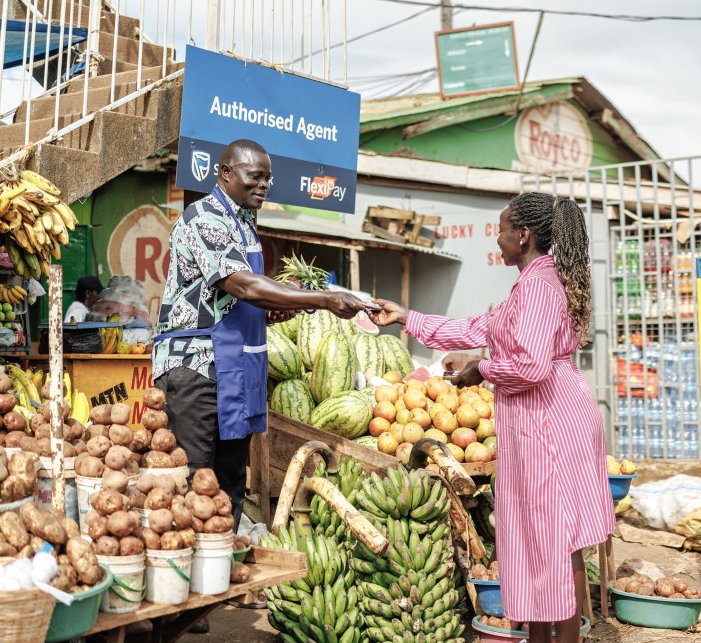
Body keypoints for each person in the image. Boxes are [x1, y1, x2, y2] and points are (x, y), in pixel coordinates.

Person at [370, 192, 613, 643]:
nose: (497, 237)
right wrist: (407, 318)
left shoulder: (540, 288)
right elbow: (477, 329)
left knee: (552, 541)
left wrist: (482, 369)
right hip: (541, 420)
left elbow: (531, 366)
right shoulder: (530, 284)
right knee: (550, 541)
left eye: (501, 229)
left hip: (551, 424)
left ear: (522, 235)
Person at [152, 140, 366, 524]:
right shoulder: (204, 217)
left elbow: (233, 298)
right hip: (198, 367)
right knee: (193, 477)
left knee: (231, 480)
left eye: (268, 178)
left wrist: (270, 313)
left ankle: (225, 565)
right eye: (255, 176)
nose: (264, 185)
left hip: (236, 367)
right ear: (226, 173)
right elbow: (243, 285)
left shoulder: (245, 223)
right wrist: (323, 299)